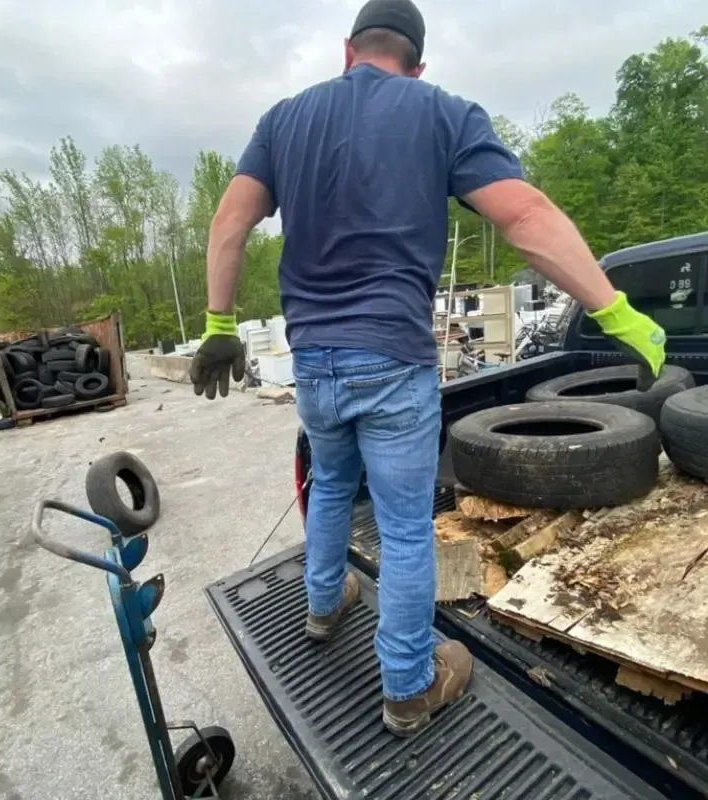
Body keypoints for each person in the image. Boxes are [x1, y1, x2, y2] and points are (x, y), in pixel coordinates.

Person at [189, 0, 666, 738]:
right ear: (417, 64)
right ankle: (409, 687)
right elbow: (526, 216)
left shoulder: (282, 119)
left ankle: (322, 607)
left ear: (347, 51)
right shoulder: (443, 113)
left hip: (313, 361)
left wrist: (220, 327)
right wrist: (616, 313)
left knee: (333, 483)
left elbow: (229, 222)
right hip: (391, 360)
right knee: (407, 530)